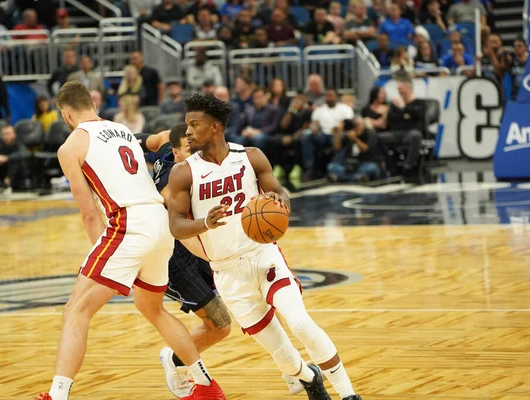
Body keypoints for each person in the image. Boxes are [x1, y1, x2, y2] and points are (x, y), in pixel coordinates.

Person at [36, 81, 225, 400]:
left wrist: (105, 267)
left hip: (128, 223)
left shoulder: (70, 146)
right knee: (151, 308)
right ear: (93, 105)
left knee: (76, 310)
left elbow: (90, 214)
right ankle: (206, 385)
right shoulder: (121, 129)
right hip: (159, 222)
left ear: (66, 114)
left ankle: (57, 395)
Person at [167, 93, 363, 400]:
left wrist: (280, 201)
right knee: (284, 357)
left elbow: (280, 194)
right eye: (187, 124)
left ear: (215, 127)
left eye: (195, 124)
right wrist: (205, 223)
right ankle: (311, 378)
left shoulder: (251, 156)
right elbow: (176, 226)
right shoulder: (183, 172)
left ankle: (349, 395)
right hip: (227, 271)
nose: (187, 131)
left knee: (300, 323)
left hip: (263, 255)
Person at [136, 123, 233, 398]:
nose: (199, 152)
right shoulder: (171, 187)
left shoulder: (170, 141)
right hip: (172, 256)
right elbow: (180, 221)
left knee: (233, 310)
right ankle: (176, 359)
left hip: (194, 244)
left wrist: (125, 141)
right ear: (177, 154)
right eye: (192, 150)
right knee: (221, 325)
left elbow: (155, 139)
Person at [301, 88, 354, 180]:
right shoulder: (319, 110)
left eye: (331, 95)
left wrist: (338, 129)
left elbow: (347, 123)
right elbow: (315, 123)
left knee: (342, 136)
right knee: (306, 134)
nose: (329, 98)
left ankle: (335, 167)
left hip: (338, 133)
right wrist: (314, 128)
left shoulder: (345, 109)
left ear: (336, 97)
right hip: (323, 134)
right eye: (327, 95)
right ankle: (309, 167)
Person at [381, 75, 425, 173]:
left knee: (416, 136)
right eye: (398, 89)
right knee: (377, 137)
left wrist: (404, 107)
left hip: (410, 132)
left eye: (401, 89)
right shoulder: (394, 103)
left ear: (409, 88)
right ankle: (390, 163)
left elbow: (419, 116)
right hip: (396, 133)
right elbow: (391, 118)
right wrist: (405, 115)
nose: (400, 92)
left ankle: (408, 165)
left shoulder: (419, 103)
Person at [327, 117, 382, 182]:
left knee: (373, 168)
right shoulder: (349, 134)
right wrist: (339, 131)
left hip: (365, 163)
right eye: (354, 126)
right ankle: (356, 178)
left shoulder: (370, 133)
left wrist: (355, 139)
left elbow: (366, 149)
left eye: (358, 125)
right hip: (349, 165)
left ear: (363, 125)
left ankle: (343, 178)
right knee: (332, 166)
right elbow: (337, 147)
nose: (356, 128)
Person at [0, 124, 28, 195]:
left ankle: (7, 183)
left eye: (8, 134)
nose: (6, 136)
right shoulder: (0, 146)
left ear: (14, 135)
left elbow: (23, 154)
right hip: (3, 171)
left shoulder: (19, 144)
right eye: (4, 134)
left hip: (18, 174)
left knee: (15, 159)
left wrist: (6, 158)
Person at [238, 87, 282, 152]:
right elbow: (244, 124)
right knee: (239, 139)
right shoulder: (250, 110)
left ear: (266, 97)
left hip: (267, 134)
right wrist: (244, 131)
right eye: (255, 98)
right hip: (251, 133)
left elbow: (274, 127)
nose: (258, 100)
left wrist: (258, 131)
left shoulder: (273, 109)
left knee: (258, 139)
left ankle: (259, 161)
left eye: (260, 97)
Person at [503, 37, 528, 101]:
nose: (516, 48)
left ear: (526, 47)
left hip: (527, 94)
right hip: (515, 96)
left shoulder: (529, 62)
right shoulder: (511, 62)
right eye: (515, 46)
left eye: (519, 46)